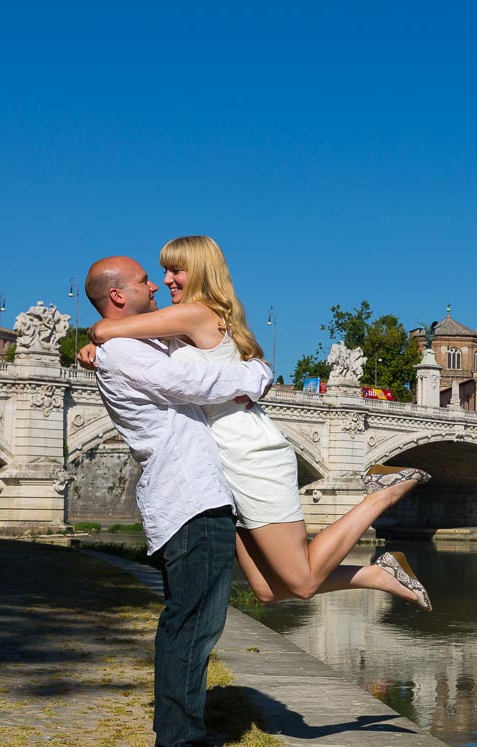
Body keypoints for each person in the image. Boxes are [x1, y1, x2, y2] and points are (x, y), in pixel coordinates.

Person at [82, 235, 432, 611]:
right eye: (163, 271)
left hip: (249, 454)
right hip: (223, 468)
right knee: (267, 591)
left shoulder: (197, 313)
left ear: (199, 271)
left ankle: (384, 493)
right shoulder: (184, 322)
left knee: (301, 580)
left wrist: (95, 338)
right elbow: (143, 351)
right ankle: (380, 572)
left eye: (175, 270)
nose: (165, 280)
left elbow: (108, 330)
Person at [85, 255, 272, 747]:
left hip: (196, 497)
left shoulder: (135, 344)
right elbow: (203, 382)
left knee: (192, 624)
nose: (156, 284)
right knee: (191, 627)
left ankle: (185, 738)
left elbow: (199, 366)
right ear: (119, 296)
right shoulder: (124, 349)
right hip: (190, 500)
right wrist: (258, 372)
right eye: (145, 279)